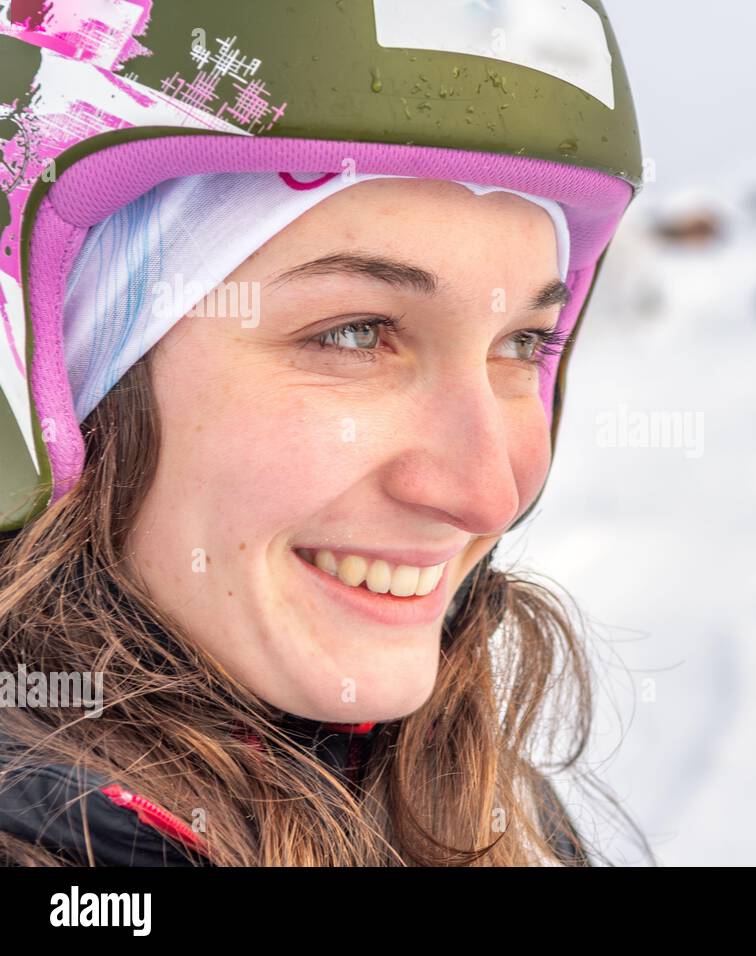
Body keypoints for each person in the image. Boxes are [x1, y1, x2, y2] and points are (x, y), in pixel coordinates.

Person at [0, 0, 646, 865]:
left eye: (520, 343)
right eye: (355, 333)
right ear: (58, 382)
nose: (487, 492)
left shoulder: (503, 820)